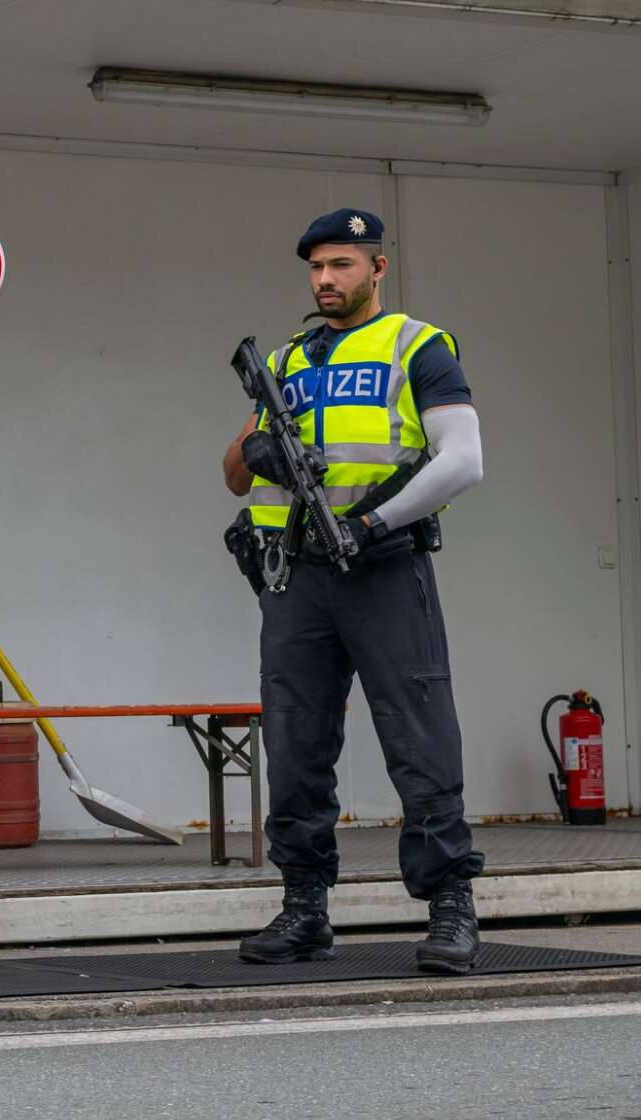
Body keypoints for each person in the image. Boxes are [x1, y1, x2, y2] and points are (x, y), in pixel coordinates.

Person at [223, 208, 487, 974]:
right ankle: (304, 908)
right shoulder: (290, 357)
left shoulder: (418, 345)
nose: (326, 280)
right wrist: (258, 446)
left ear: (377, 268)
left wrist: (373, 523)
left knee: (419, 734)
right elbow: (232, 473)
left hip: (381, 567)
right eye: (316, 268)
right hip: (296, 576)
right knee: (295, 741)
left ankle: (450, 908)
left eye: (342, 265)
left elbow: (462, 459)